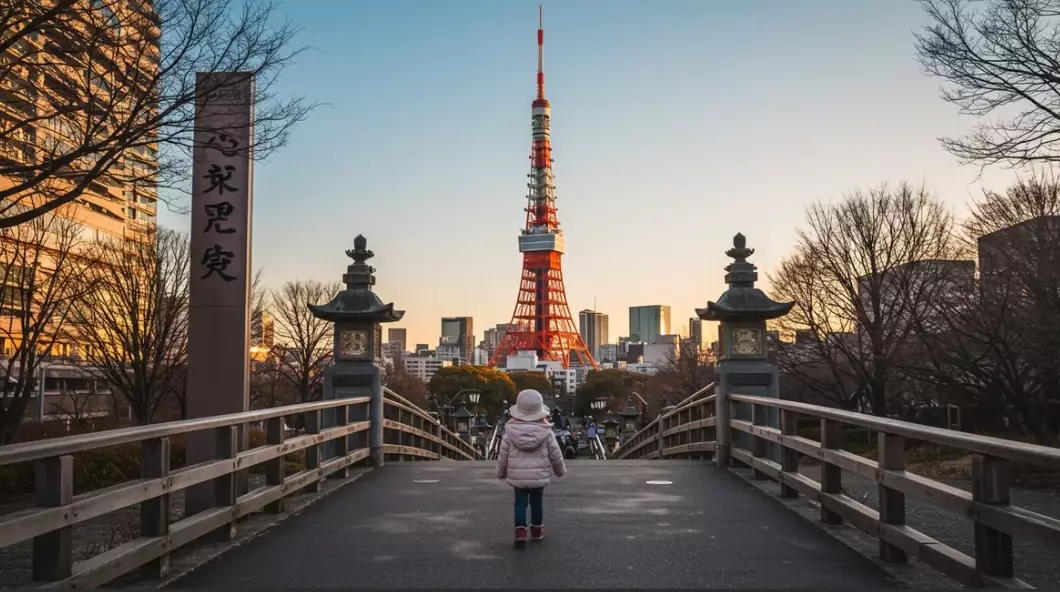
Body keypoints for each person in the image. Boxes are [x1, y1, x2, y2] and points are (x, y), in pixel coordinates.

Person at [495, 389, 566, 546]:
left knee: (520, 503)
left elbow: (503, 455)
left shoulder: (510, 432)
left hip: (518, 476)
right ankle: (536, 531)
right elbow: (555, 454)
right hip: (538, 475)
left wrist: (500, 473)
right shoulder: (546, 432)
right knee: (537, 502)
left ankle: (520, 532)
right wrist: (559, 470)